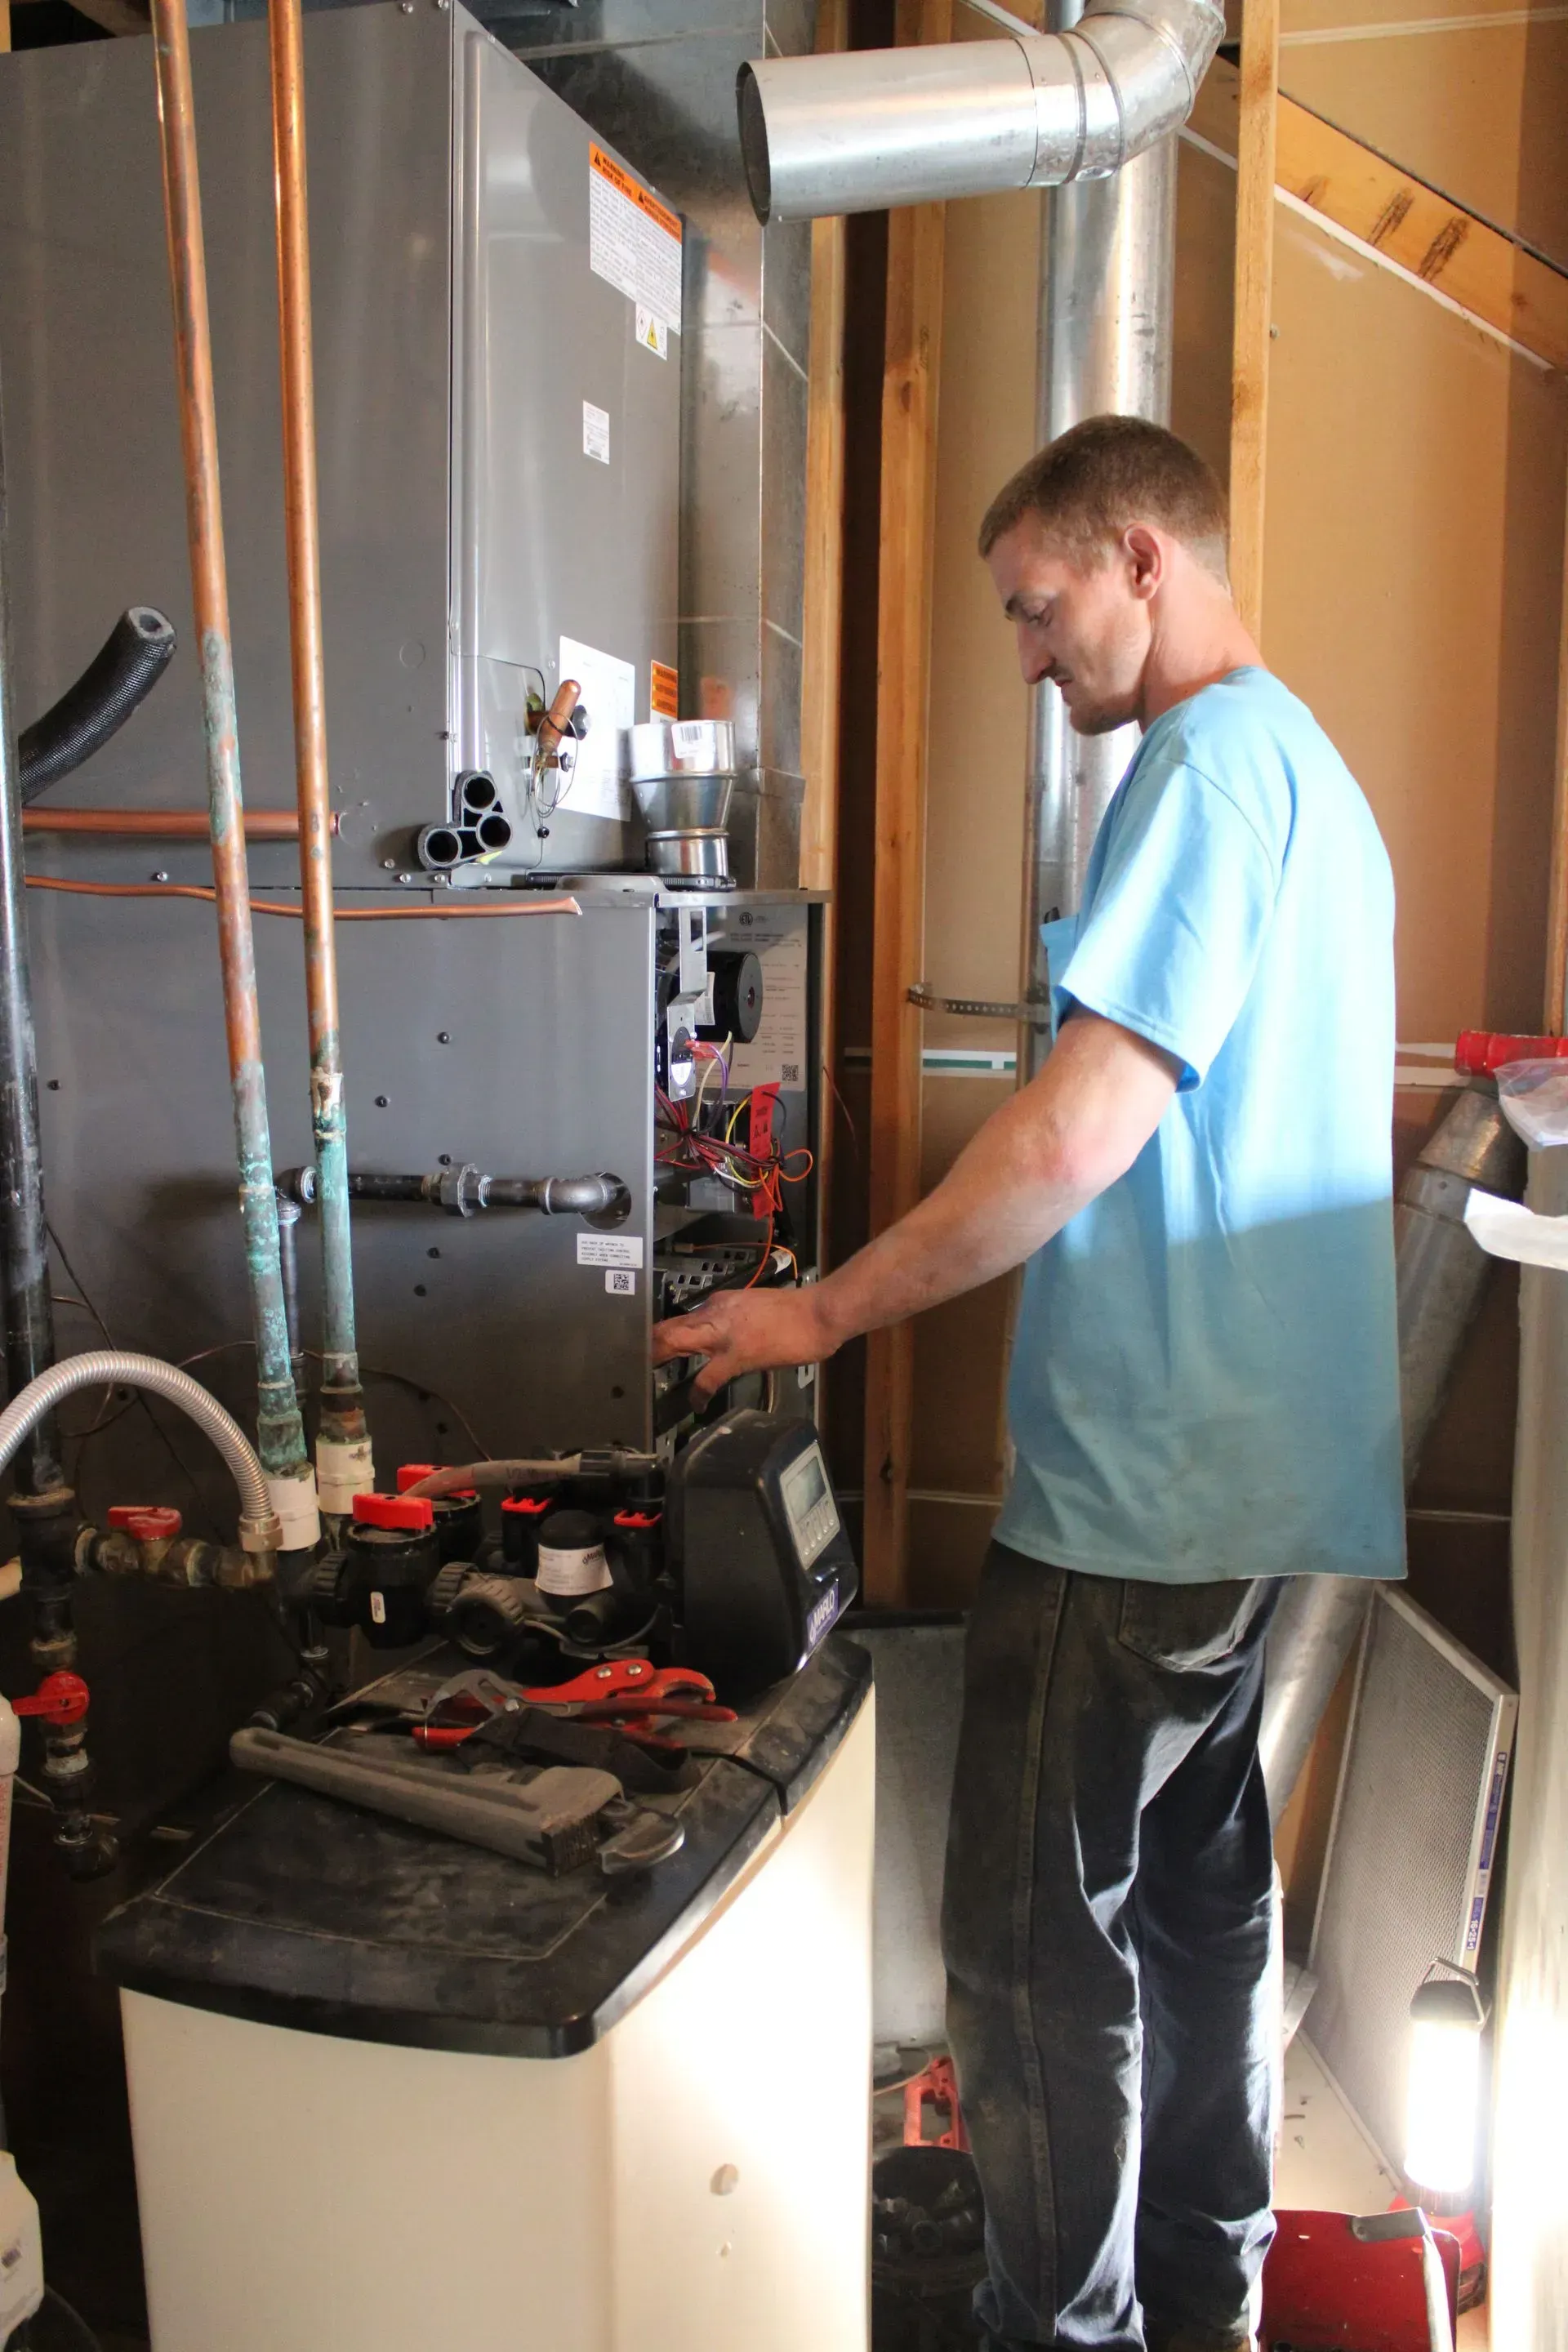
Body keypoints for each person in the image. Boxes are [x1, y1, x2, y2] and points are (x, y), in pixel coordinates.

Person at [651, 414, 1405, 2352]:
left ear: (1142, 557)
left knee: (1025, 1954)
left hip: (1140, 1495)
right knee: (1197, 1924)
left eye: (1037, 603)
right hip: (1259, 1489)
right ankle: (1201, 2307)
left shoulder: (1208, 774)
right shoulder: (1310, 772)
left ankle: (1061, 2337)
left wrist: (820, 1316)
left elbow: (1076, 1135)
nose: (1025, 651)